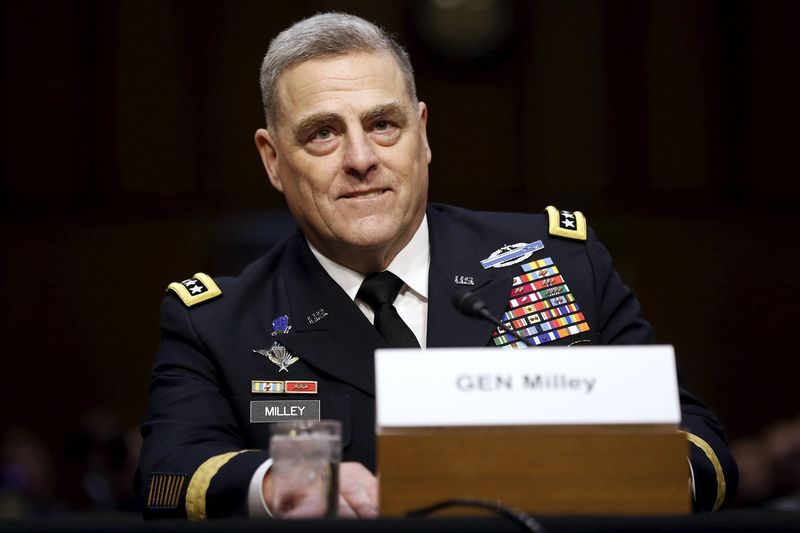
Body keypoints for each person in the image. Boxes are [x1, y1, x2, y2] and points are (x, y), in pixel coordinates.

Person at [136, 12, 737, 519]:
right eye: (323, 134)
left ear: (421, 135)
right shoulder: (218, 322)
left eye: (383, 124)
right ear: (273, 160)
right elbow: (165, 479)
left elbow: (705, 452)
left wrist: (616, 476)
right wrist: (295, 481)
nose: (362, 158)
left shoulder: (559, 263)